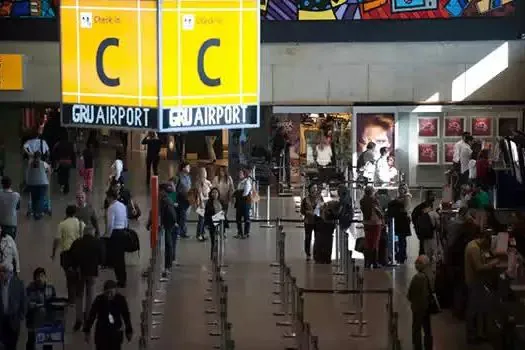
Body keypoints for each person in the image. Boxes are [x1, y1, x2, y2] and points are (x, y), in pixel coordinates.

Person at [464, 229, 501, 344]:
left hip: (474, 281)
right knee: (473, 310)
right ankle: (472, 336)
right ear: (484, 239)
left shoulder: (473, 244)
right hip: (474, 281)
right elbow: (479, 267)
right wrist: (492, 264)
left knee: (479, 308)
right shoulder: (474, 248)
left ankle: (478, 333)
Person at [69, 226, 104, 331]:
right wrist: (98, 264)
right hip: (92, 272)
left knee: (79, 296)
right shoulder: (98, 243)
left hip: (80, 273)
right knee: (90, 296)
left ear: (83, 233)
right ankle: (88, 318)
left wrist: (74, 267)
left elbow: (71, 256)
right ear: (93, 232)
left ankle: (78, 319)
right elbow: (102, 258)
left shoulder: (77, 242)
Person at [83, 280, 133, 350]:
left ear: (115, 291)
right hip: (102, 333)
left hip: (115, 333)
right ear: (104, 292)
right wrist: (87, 330)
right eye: (107, 293)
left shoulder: (120, 300)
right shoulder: (99, 300)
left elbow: (126, 315)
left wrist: (129, 330)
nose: (109, 295)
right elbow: (92, 315)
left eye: (111, 293)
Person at [51, 205, 85, 303]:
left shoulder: (62, 224)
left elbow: (57, 240)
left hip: (66, 254)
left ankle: (71, 300)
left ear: (66, 213)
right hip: (79, 253)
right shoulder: (81, 223)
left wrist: (53, 253)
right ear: (75, 213)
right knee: (79, 275)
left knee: (70, 279)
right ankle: (79, 297)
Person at [25, 267, 56, 350]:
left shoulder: (50, 288)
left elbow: (53, 303)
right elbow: (26, 303)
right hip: (33, 322)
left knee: (47, 344)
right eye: (37, 276)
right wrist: (34, 305)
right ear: (34, 278)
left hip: (46, 322)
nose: (40, 278)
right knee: (31, 343)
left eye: (42, 276)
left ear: (45, 277)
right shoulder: (30, 288)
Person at [407, 255, 434, 350]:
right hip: (426, 306)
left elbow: (409, 294)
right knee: (427, 329)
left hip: (417, 307)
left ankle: (417, 346)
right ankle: (429, 346)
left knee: (416, 329)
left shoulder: (417, 278)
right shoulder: (429, 276)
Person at [105, 190, 128, 288]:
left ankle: (120, 280)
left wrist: (107, 235)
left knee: (116, 258)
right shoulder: (122, 205)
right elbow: (126, 219)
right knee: (121, 257)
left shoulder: (111, 208)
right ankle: (123, 278)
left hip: (115, 233)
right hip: (123, 232)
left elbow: (110, 224)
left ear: (110, 197)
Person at [0, 264, 26, 350]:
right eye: (0, 271)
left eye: (3, 271)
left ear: (10, 273)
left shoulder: (18, 283)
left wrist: (21, 316)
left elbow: (24, 301)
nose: (1, 274)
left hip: (13, 320)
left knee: (12, 346)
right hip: (1, 320)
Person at [360, 186, 384, 268]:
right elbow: (378, 211)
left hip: (366, 223)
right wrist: (382, 219)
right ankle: (374, 263)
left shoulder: (362, 201)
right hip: (375, 223)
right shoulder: (374, 200)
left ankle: (367, 262)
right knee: (375, 243)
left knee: (368, 242)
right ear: (372, 192)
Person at [387, 185, 412, 264]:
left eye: (403, 189)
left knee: (402, 239)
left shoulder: (406, 197)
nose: (401, 190)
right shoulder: (398, 199)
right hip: (398, 221)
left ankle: (402, 255)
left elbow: (406, 209)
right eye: (400, 189)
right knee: (398, 239)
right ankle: (399, 254)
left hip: (403, 221)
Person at [25, 151, 51, 220]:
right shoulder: (43, 163)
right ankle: (39, 213)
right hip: (42, 184)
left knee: (34, 198)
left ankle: (35, 212)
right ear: (40, 157)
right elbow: (49, 170)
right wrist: (47, 176)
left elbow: (28, 173)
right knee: (41, 198)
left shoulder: (30, 163)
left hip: (31, 184)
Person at [300, 184, 322, 261]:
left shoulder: (319, 198)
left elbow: (323, 208)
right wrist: (307, 212)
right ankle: (308, 253)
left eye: (316, 188)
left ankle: (316, 253)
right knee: (308, 237)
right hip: (308, 221)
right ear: (309, 190)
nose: (315, 190)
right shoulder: (305, 200)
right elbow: (302, 211)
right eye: (313, 188)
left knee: (317, 238)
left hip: (317, 221)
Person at [412, 191, 436, 256]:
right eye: (432, 195)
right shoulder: (421, 207)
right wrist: (417, 227)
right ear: (427, 196)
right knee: (423, 247)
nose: (434, 197)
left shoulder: (430, 206)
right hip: (423, 230)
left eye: (434, 195)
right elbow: (414, 216)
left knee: (427, 246)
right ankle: (422, 261)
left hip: (427, 230)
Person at [204, 188, 224, 260]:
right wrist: (206, 224)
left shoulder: (221, 201)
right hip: (212, 222)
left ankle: (220, 254)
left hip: (220, 222)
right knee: (213, 240)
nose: (214, 194)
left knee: (220, 239)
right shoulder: (209, 202)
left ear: (218, 194)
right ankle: (213, 255)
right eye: (213, 192)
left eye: (216, 192)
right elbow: (206, 214)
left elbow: (224, 211)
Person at [234, 168, 252, 239]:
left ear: (244, 174)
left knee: (246, 217)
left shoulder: (247, 182)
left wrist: (239, 194)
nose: (239, 174)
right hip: (239, 202)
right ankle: (239, 232)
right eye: (239, 173)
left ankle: (246, 233)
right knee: (238, 218)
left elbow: (245, 193)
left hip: (245, 202)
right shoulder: (240, 182)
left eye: (241, 173)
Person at [195, 167, 212, 242]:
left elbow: (211, 190)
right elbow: (199, 194)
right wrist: (201, 203)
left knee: (205, 219)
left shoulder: (207, 182)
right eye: (203, 173)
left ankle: (203, 233)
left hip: (207, 201)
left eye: (205, 173)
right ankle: (199, 234)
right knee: (201, 219)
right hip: (201, 202)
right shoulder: (198, 183)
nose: (205, 175)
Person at [176, 162, 192, 239]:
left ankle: (183, 232)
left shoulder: (188, 177)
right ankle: (179, 232)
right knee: (181, 216)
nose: (189, 168)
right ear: (183, 168)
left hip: (187, 200)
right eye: (188, 167)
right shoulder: (178, 177)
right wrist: (173, 201)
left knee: (184, 216)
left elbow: (189, 187)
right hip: (180, 199)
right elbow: (174, 189)